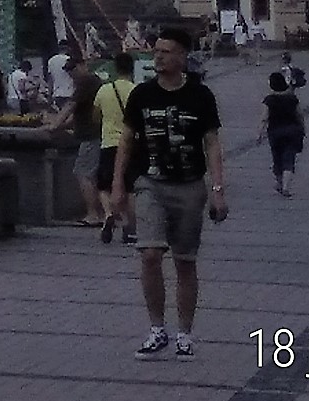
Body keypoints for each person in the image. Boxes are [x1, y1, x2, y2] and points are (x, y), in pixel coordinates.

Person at [111, 26, 226, 360]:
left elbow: (212, 143)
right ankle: (157, 329)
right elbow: (126, 140)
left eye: (165, 51)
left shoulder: (201, 96)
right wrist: (118, 185)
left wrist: (218, 190)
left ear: (182, 57)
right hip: (150, 184)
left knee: (185, 263)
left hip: (190, 187)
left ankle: (184, 333)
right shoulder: (142, 95)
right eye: (156, 51)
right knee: (149, 254)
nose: (157, 56)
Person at [93, 62, 138, 244]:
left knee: (103, 186)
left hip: (108, 143)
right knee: (130, 189)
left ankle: (109, 213)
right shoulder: (136, 90)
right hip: (131, 145)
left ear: (115, 70)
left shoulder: (104, 90)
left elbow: (95, 116)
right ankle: (130, 227)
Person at [260, 71, 303, 196]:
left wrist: (260, 132)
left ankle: (279, 182)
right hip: (292, 131)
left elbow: (264, 117)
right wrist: (303, 128)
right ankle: (285, 187)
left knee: (277, 158)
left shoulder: (269, 100)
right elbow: (300, 115)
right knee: (289, 158)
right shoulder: (292, 98)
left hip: (275, 132)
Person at [70, 72, 105, 226]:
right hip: (98, 135)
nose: (71, 74)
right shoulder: (96, 84)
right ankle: (104, 213)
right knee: (95, 176)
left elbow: (70, 106)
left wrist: (54, 125)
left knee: (83, 173)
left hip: (90, 137)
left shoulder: (85, 81)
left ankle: (93, 214)